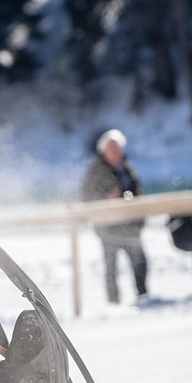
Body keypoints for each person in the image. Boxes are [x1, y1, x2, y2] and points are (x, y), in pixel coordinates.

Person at [80, 129, 148, 304]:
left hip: (130, 225)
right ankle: (113, 302)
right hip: (108, 227)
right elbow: (85, 196)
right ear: (103, 150)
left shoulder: (126, 167)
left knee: (139, 262)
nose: (117, 152)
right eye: (112, 149)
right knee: (111, 267)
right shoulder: (95, 171)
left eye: (118, 148)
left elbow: (137, 191)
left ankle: (143, 296)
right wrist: (106, 199)